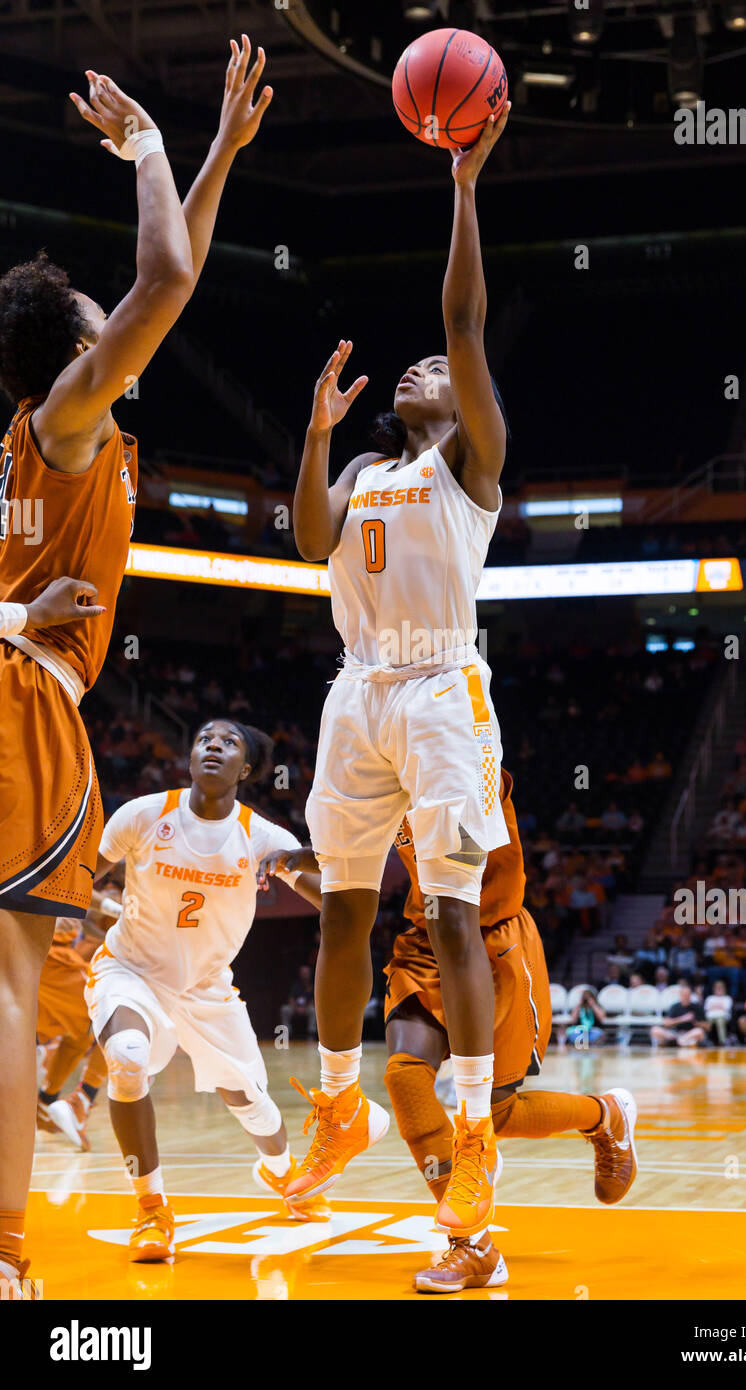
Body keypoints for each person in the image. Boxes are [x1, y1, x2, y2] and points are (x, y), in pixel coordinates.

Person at [0, 43, 272, 1297]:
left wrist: (215, 152)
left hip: (20, 678)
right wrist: (150, 145)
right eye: (98, 322)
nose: (124, 322)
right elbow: (164, 273)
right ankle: (8, 1252)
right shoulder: (64, 419)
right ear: (69, 346)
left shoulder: (47, 432)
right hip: (25, 703)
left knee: (19, 983)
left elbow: (175, 278)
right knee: (14, 983)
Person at [288, 105, 515, 1238]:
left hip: (439, 692)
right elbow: (302, 539)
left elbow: (464, 322)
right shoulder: (372, 463)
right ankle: (337, 1104)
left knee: (450, 912)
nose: (429, 365)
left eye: (440, 369)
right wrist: (320, 433)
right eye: (417, 366)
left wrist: (463, 187)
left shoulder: (468, 466)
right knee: (339, 914)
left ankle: (474, 1139)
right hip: (355, 688)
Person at [260, 769, 637, 1295]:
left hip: (492, 947)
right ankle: (474, 1249)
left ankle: (605, 1115)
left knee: (496, 1112)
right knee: (404, 1077)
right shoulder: (384, 771)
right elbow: (353, 877)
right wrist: (311, 856)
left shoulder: (464, 757)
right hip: (423, 945)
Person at [86, 719, 326, 1261]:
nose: (213, 745)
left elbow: (334, 902)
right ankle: (152, 1210)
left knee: (251, 1102)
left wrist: (302, 856)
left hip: (206, 988)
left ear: (245, 769)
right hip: (131, 971)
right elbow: (85, 878)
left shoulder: (262, 836)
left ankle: (284, 1173)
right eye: (203, 739)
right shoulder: (144, 815)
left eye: (228, 742)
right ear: (191, 757)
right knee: (126, 1058)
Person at [35, 890, 122, 1150]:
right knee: (111, 1013)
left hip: (54, 952)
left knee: (81, 1035)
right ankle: (82, 1100)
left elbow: (77, 897)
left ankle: (46, 1102)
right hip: (50, 954)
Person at [650, 981, 705, 1048]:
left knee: (699, 1031)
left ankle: (680, 1041)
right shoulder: (675, 1006)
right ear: (680, 995)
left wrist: (696, 1023)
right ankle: (677, 1041)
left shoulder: (696, 1007)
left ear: (690, 995)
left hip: (688, 1034)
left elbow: (708, 1026)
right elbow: (666, 1023)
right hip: (674, 1034)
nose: (685, 997)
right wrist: (683, 1019)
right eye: (684, 995)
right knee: (655, 1030)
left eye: (687, 995)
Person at [702, 978, 733, 1045]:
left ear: (724, 989)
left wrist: (714, 1007)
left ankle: (723, 1041)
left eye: (720, 988)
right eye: (717, 988)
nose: (719, 989)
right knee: (706, 1023)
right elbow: (706, 1009)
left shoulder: (727, 998)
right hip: (710, 1016)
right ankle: (704, 1040)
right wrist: (719, 1007)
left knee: (720, 1021)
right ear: (714, 989)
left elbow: (726, 1008)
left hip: (723, 1016)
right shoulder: (710, 998)